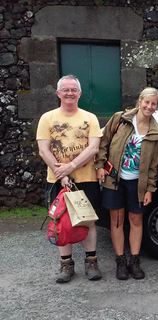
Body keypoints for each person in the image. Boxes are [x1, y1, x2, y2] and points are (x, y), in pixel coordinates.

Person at [37, 74, 103, 283]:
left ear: (80, 93)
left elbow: (93, 148)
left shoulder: (90, 118)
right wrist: (61, 173)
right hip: (57, 179)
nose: (69, 93)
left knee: (88, 222)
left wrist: (71, 167)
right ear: (58, 93)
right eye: (65, 89)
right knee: (61, 223)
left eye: (73, 90)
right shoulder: (47, 118)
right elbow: (43, 150)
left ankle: (91, 262)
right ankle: (66, 264)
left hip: (86, 178)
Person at [95, 87, 158, 281]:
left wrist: (150, 188)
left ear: (156, 106)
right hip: (115, 179)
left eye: (153, 103)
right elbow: (103, 142)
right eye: (146, 102)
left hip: (138, 183)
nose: (149, 106)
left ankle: (134, 260)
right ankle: (120, 261)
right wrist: (99, 165)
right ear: (139, 101)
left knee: (136, 220)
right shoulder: (120, 119)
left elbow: (153, 165)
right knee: (116, 220)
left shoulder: (156, 132)